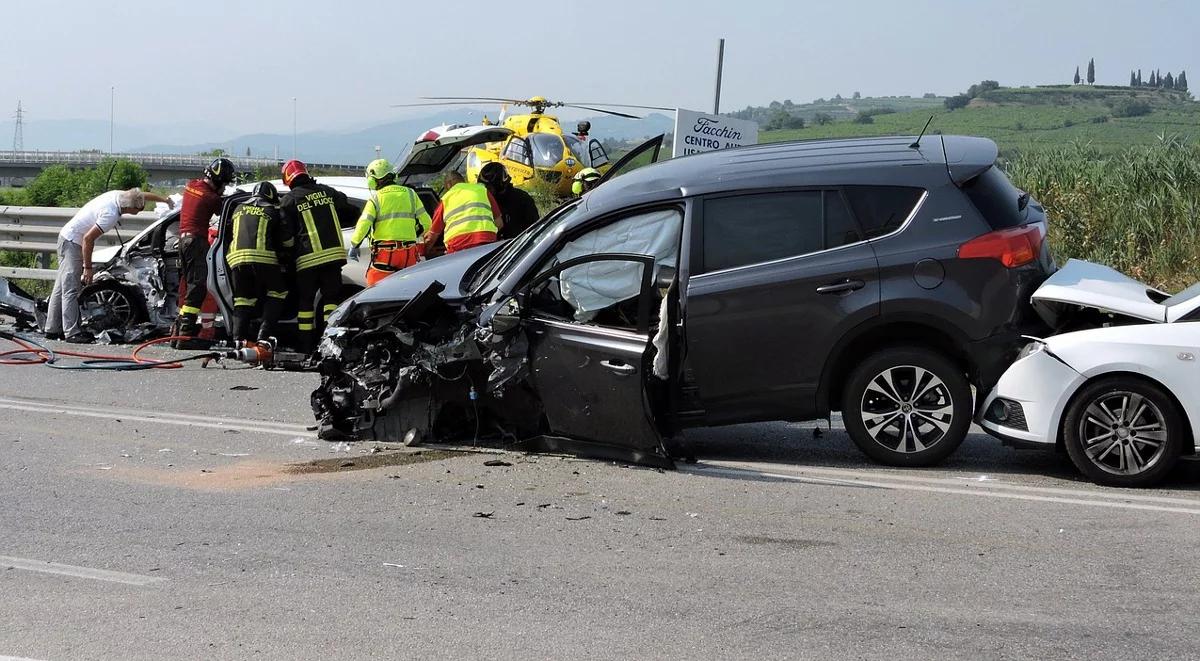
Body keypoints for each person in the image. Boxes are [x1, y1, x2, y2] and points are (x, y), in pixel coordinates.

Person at [45, 187, 174, 343]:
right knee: (71, 289)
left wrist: (164, 200)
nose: (138, 212)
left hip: (68, 238)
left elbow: (141, 195)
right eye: (137, 210)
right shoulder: (110, 215)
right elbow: (88, 239)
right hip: (73, 242)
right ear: (129, 208)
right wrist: (88, 268)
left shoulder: (120, 196)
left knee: (61, 287)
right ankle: (72, 333)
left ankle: (52, 329)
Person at [278, 160, 357, 353]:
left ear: (288, 179)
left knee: (305, 304)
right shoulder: (327, 192)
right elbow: (348, 207)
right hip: (333, 258)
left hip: (307, 260)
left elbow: (285, 235)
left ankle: (306, 346)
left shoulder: (289, 200)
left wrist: (286, 253)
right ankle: (328, 344)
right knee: (331, 301)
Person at [226, 181, 292, 345]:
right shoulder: (271, 210)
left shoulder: (237, 208)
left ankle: (238, 340)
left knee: (242, 299)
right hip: (263, 258)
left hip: (236, 259)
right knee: (278, 292)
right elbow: (287, 241)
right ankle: (264, 335)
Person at [176, 157, 235, 337]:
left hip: (183, 242)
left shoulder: (191, 185)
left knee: (188, 286)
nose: (224, 188)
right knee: (198, 286)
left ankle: (179, 329)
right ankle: (186, 332)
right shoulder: (211, 198)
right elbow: (224, 210)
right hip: (196, 242)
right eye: (224, 184)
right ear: (217, 180)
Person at [347, 159, 431, 287]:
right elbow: (427, 222)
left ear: (373, 179)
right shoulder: (411, 194)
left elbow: (364, 223)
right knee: (408, 288)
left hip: (386, 254)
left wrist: (354, 245)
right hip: (409, 253)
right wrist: (413, 233)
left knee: (375, 288)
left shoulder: (376, 198)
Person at [423, 171, 503, 254]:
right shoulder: (482, 190)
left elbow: (432, 237)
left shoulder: (446, 199)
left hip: (458, 245)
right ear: (463, 180)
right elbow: (499, 223)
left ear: (448, 184)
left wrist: (426, 252)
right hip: (487, 240)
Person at [478, 162, 539, 240]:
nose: (485, 191)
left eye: (488, 188)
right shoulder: (482, 201)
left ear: (499, 186)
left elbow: (534, 230)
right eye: (482, 187)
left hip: (517, 246)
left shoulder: (522, 200)